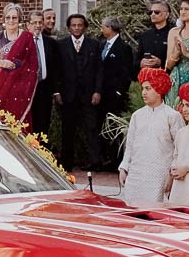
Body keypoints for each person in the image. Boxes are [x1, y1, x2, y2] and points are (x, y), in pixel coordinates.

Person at [118, 68, 179, 208]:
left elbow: (179, 149)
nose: (144, 92)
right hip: (136, 174)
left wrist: (172, 175)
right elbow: (130, 145)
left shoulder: (172, 116)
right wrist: (124, 167)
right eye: (143, 88)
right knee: (132, 213)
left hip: (159, 175)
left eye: (148, 88)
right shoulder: (137, 116)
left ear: (159, 89)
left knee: (155, 215)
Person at [55, 14, 100, 171]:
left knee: (91, 127)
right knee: (68, 129)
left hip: (88, 94)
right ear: (69, 28)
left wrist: (97, 91)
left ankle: (94, 162)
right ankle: (67, 163)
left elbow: (99, 70)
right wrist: (57, 92)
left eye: (80, 25)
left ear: (85, 27)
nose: (77, 28)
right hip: (68, 94)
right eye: (73, 25)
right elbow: (56, 71)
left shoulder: (94, 45)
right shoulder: (61, 45)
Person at [0, 3, 38, 128]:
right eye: (8, 17)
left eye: (14, 17)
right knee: (0, 121)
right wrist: (2, 63)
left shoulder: (26, 38)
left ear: (19, 19)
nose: (11, 20)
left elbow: (33, 67)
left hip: (20, 90)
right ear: (4, 19)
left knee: (18, 124)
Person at [95, 17, 137, 170]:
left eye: (103, 27)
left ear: (110, 27)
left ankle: (115, 161)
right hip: (101, 93)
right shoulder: (101, 45)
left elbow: (126, 72)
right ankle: (104, 158)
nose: (101, 30)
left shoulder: (123, 47)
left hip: (115, 95)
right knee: (102, 126)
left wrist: (119, 91)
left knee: (114, 127)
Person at [138, 1, 173, 71]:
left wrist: (161, 63)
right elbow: (137, 58)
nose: (152, 14)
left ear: (167, 14)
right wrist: (141, 63)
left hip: (168, 77)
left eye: (157, 12)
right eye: (150, 12)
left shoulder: (173, 33)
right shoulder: (145, 35)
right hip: (147, 77)